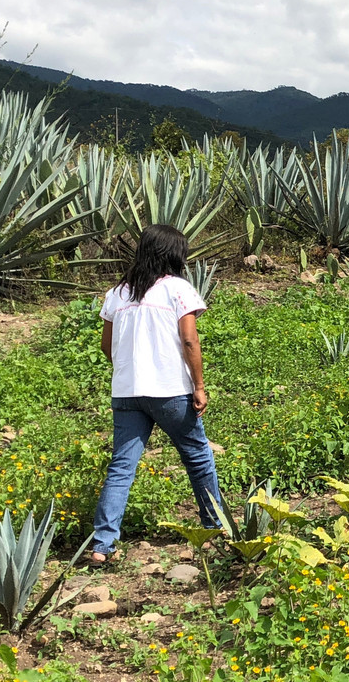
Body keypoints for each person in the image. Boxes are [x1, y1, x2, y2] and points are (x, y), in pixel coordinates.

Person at [89, 224, 221, 566]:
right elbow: (190, 340)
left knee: (122, 466)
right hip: (169, 391)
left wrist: (131, 370)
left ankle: (102, 545)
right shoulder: (177, 289)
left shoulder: (118, 293)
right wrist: (200, 386)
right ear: (173, 255)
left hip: (127, 392)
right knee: (197, 456)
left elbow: (108, 346)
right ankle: (216, 527)